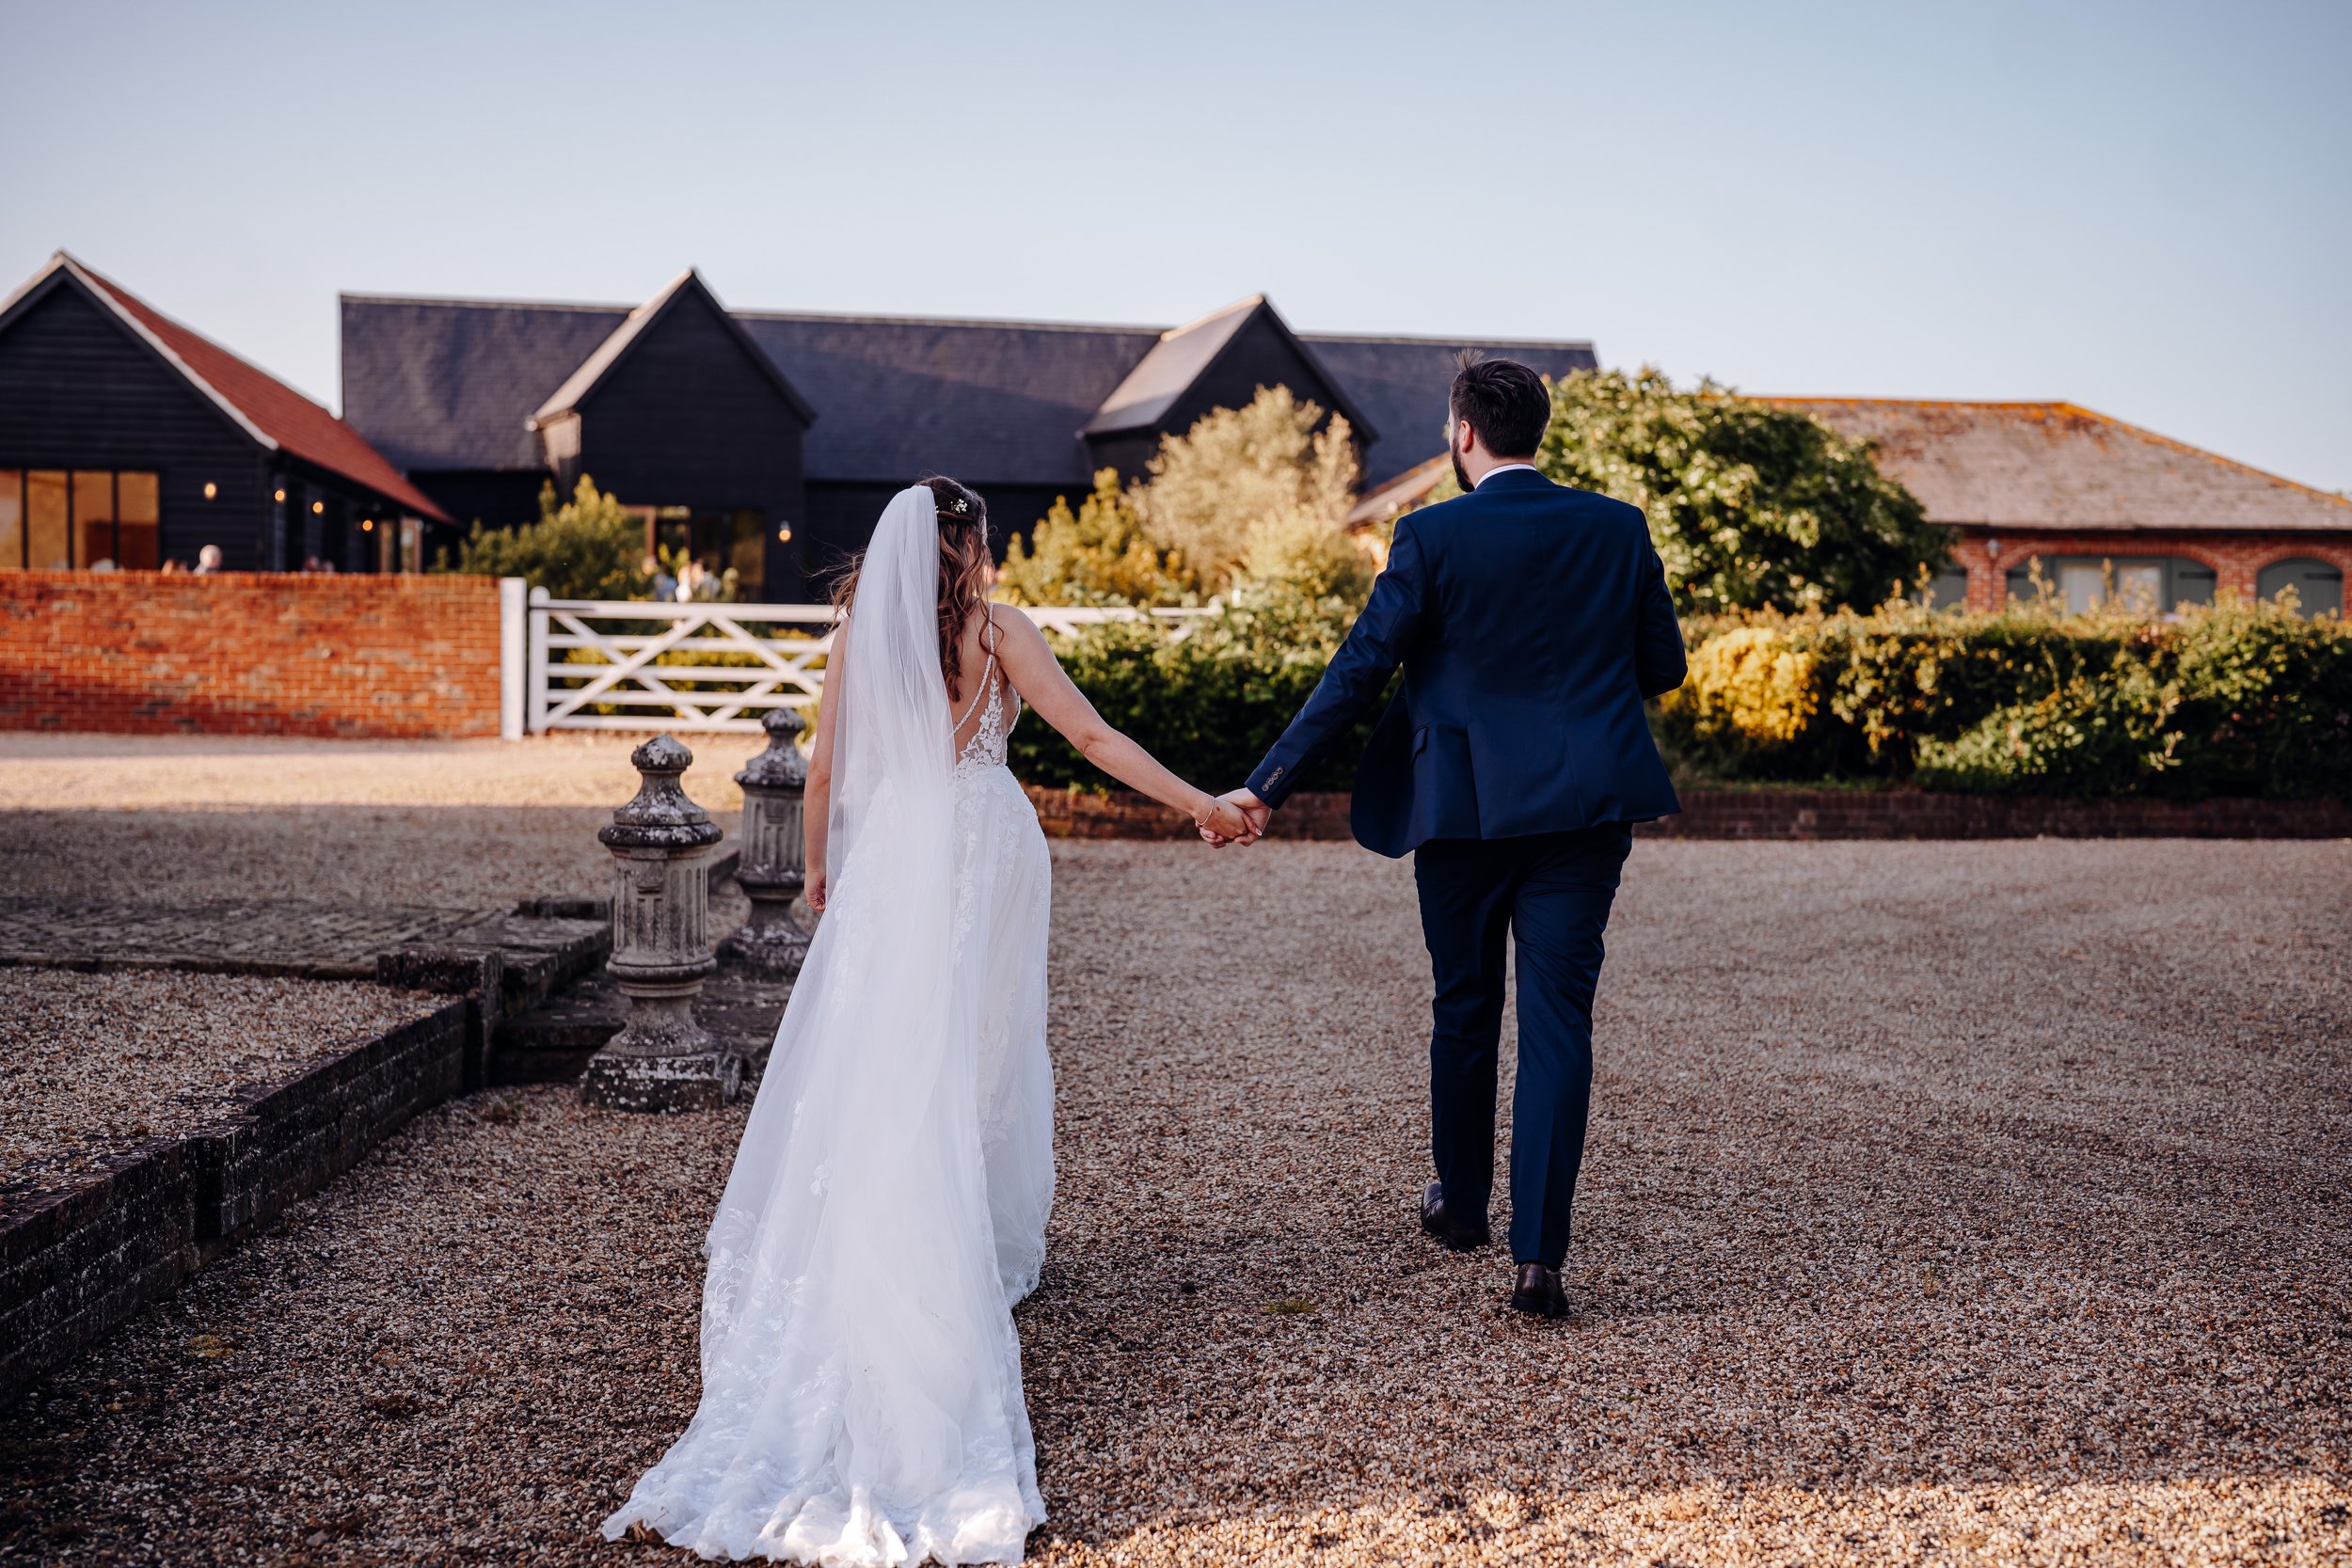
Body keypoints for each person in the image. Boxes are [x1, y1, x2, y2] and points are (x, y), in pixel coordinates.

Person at [602, 479, 1253, 1564]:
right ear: (975, 544)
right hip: (987, 846)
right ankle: (955, 1244)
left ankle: (908, 1223)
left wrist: (817, 868)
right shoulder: (999, 632)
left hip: (902, 850)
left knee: (888, 1049)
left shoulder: (862, 629)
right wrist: (1201, 803)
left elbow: (825, 768)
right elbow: (1089, 735)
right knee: (977, 1047)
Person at [1211, 355, 1688, 1321]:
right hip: (1584, 813)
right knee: (1559, 1021)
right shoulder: (1617, 527)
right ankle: (1538, 1260)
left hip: (1464, 812)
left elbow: (1357, 673)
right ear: (1534, 431)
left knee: (1465, 1003)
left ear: (1462, 432)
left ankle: (1463, 1205)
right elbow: (1661, 666)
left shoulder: (1426, 536)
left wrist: (1266, 785)